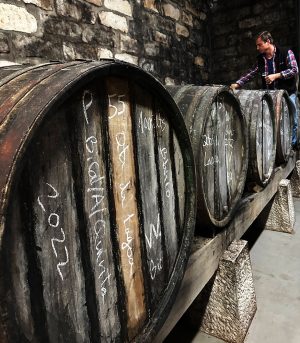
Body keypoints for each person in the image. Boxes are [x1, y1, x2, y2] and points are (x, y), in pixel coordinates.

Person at [230, 31, 299, 148]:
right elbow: (251, 73)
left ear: (268, 42)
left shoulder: (286, 52)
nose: (257, 48)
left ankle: (293, 145)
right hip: (271, 95)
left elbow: (294, 69)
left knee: (293, 118)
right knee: (272, 122)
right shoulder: (261, 59)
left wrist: (276, 75)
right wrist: (238, 84)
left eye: (259, 44)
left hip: (288, 92)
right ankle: (277, 148)